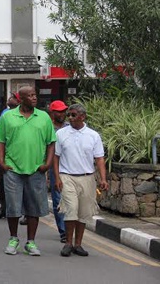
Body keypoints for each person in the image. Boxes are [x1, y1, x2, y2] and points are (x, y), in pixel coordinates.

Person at [0, 86, 55, 256]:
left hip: (36, 169)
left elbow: (51, 142)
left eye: (35, 94)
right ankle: (13, 239)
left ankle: (31, 242)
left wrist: (48, 163)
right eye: (29, 95)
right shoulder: (8, 117)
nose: (34, 98)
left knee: (33, 207)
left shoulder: (43, 117)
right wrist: (2, 162)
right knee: (13, 207)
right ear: (20, 99)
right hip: (13, 169)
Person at [54, 104, 108, 257]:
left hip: (87, 177)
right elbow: (56, 157)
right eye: (68, 115)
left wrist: (103, 179)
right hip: (67, 176)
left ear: (82, 117)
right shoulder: (61, 134)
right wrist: (57, 177)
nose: (69, 118)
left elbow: (99, 158)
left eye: (73, 115)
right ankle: (68, 243)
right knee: (71, 209)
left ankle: (78, 244)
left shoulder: (93, 135)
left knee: (83, 213)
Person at [0, 94, 21, 220]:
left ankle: (22, 211)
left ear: (19, 101)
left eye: (13, 97)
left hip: (18, 154)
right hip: (2, 153)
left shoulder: (24, 115)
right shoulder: (5, 113)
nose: (9, 98)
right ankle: (4, 208)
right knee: (0, 181)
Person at [48, 100, 69, 242]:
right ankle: (63, 231)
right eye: (59, 111)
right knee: (57, 200)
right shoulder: (48, 128)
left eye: (63, 111)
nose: (62, 114)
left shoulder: (70, 127)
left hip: (71, 167)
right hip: (55, 167)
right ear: (52, 113)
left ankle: (70, 228)